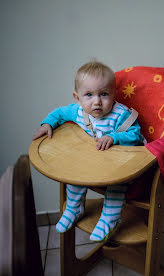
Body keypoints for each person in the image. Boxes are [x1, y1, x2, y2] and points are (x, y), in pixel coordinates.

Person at [32, 61, 145, 242]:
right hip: (92, 163)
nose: (97, 101)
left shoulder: (120, 114)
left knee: (117, 183)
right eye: (89, 95)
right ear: (77, 98)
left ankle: (110, 217)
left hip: (119, 165)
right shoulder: (78, 111)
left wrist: (114, 137)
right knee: (75, 175)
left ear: (114, 93)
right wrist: (47, 124)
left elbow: (136, 135)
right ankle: (74, 208)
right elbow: (59, 113)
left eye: (104, 94)